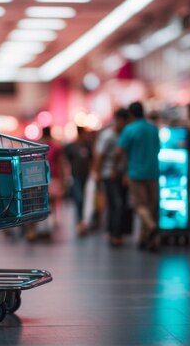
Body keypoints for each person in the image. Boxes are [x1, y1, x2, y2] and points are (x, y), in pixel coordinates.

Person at [115, 102, 161, 252]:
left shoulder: (129, 130)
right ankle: (146, 239)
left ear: (131, 114)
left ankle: (151, 226)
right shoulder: (154, 129)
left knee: (140, 206)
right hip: (153, 172)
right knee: (151, 207)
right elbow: (158, 149)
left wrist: (118, 168)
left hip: (136, 173)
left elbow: (119, 151)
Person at [94, 108, 132, 247]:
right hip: (109, 174)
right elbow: (100, 156)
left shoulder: (124, 135)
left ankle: (114, 232)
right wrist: (97, 174)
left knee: (116, 204)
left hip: (121, 174)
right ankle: (115, 234)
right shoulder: (108, 136)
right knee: (116, 204)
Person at [64, 127, 93, 235]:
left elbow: (91, 159)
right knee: (79, 197)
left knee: (83, 198)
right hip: (74, 176)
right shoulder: (71, 146)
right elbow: (65, 160)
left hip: (85, 176)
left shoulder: (87, 145)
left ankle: (81, 221)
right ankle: (79, 221)